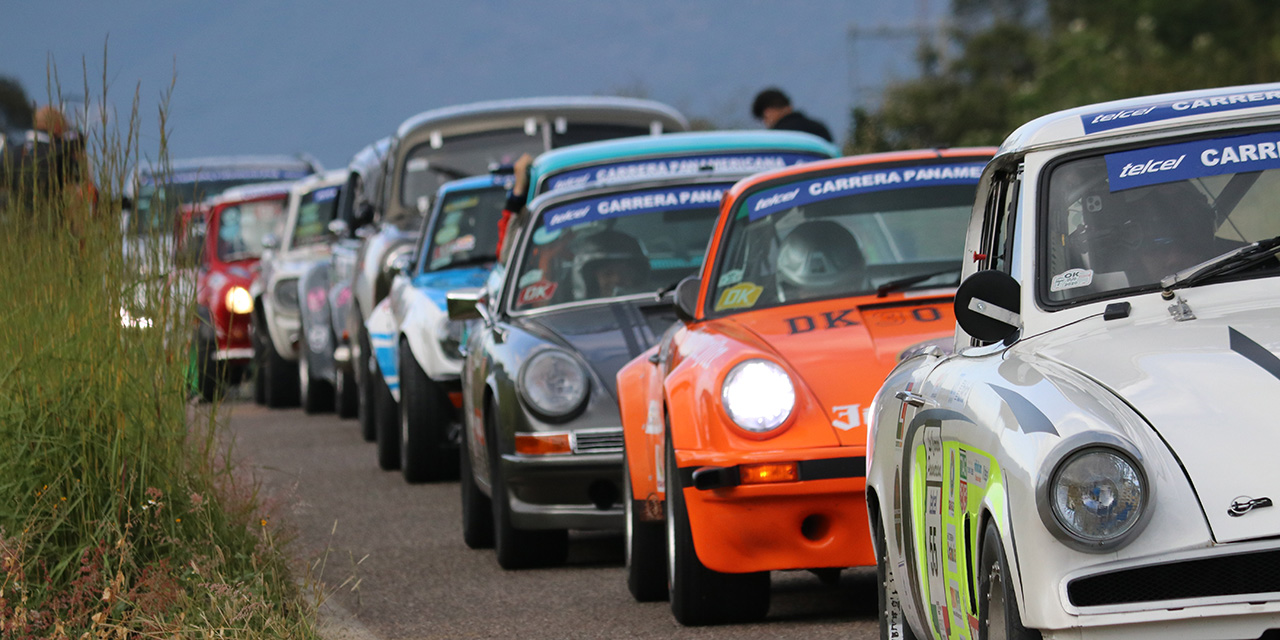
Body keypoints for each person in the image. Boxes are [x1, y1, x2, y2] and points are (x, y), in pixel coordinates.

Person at [751, 88, 833, 143]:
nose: (766, 124)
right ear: (789, 107)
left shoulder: (774, 137)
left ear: (768, 112)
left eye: (764, 119)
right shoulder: (819, 129)